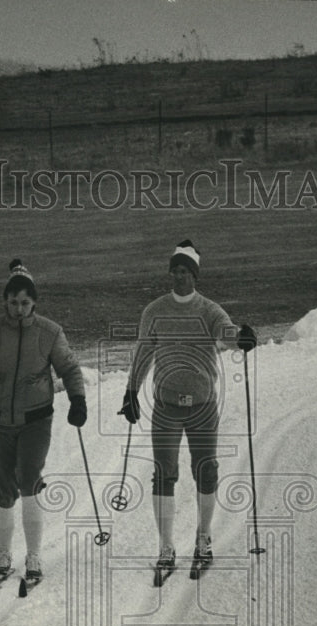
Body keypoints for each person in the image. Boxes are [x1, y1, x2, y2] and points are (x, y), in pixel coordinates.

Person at [119, 239, 257, 578]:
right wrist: (131, 391)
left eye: (185, 271)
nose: (180, 276)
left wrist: (242, 337)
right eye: (175, 271)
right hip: (166, 405)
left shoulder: (209, 310)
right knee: (163, 473)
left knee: (205, 469)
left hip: (202, 406)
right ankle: (166, 547)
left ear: (195, 275)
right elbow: (143, 352)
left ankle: (203, 539)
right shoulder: (154, 310)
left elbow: (226, 332)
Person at [0, 259, 87, 581]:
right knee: (2, 489)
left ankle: (34, 556)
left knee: (29, 480)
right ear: (5, 301)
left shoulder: (50, 332)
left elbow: (69, 368)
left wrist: (78, 399)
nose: (19, 309)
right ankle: (3, 555)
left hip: (35, 420)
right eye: (13, 303)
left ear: (34, 302)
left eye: (25, 303)